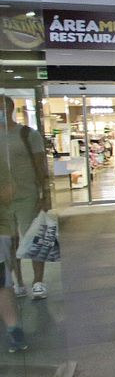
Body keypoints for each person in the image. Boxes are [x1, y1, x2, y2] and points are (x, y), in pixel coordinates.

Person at [0, 95, 53, 299]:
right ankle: (17, 281)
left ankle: (38, 281)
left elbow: (40, 165)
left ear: (11, 109)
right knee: (9, 242)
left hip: (27, 195)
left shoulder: (27, 134)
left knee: (33, 238)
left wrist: (44, 193)